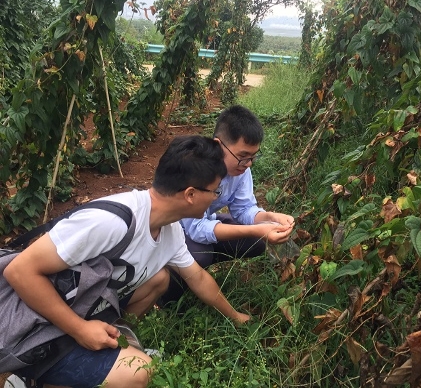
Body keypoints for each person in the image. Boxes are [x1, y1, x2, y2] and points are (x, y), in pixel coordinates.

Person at [3, 135, 250, 388]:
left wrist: (235, 316)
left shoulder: (170, 231)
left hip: (80, 304)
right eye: (215, 191)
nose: (215, 198)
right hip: (33, 326)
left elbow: (197, 277)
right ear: (190, 194)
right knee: (139, 373)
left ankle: (104, 354)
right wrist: (80, 330)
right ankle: (28, 376)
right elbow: (20, 271)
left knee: (159, 279)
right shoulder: (111, 222)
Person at [159, 105, 295, 305]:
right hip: (175, 229)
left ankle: (197, 271)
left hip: (202, 223)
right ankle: (168, 296)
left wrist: (270, 218)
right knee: (201, 255)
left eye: (253, 157)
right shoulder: (195, 169)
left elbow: (244, 209)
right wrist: (256, 230)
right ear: (219, 145)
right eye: (243, 156)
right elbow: (196, 228)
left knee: (256, 242)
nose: (248, 163)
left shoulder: (241, 170)